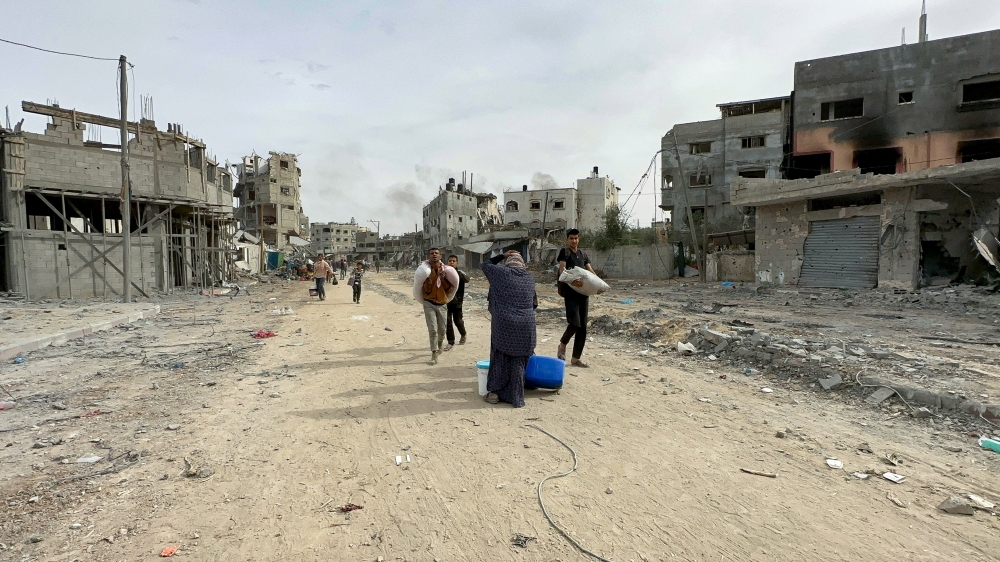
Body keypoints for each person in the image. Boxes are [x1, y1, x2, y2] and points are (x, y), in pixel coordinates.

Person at [481, 250, 536, 407]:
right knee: (519, 359)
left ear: (508, 264)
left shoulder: (501, 274)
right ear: (522, 265)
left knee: (500, 356)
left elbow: (485, 264)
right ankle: (516, 394)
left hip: (504, 323)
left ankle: (494, 393)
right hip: (527, 325)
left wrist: (503, 255)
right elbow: (534, 302)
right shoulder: (529, 278)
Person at [557, 228, 596, 368]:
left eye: (576, 238)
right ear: (567, 240)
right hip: (571, 293)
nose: (574, 240)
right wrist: (573, 281)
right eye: (571, 238)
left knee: (583, 327)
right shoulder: (565, 252)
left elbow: (590, 271)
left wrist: (599, 284)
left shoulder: (583, 254)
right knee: (575, 323)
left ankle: (575, 359)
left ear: (578, 239)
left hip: (583, 294)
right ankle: (562, 344)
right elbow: (562, 270)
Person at [420, 248, 455, 365]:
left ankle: (440, 344)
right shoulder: (426, 270)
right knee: (433, 330)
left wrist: (443, 278)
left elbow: (449, 289)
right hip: (429, 303)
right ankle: (434, 353)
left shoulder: (445, 270)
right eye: (431, 253)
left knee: (442, 330)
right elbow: (426, 290)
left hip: (442, 304)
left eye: (436, 253)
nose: (434, 255)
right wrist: (430, 280)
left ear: (440, 256)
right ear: (429, 256)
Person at [443, 255, 468, 350]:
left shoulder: (460, 273)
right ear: (447, 262)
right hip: (446, 302)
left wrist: (457, 274)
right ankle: (450, 342)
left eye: (454, 261)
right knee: (448, 322)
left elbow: (467, 279)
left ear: (457, 263)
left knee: (458, 321)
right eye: (450, 261)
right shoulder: (444, 273)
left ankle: (463, 333)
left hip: (457, 302)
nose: (452, 262)